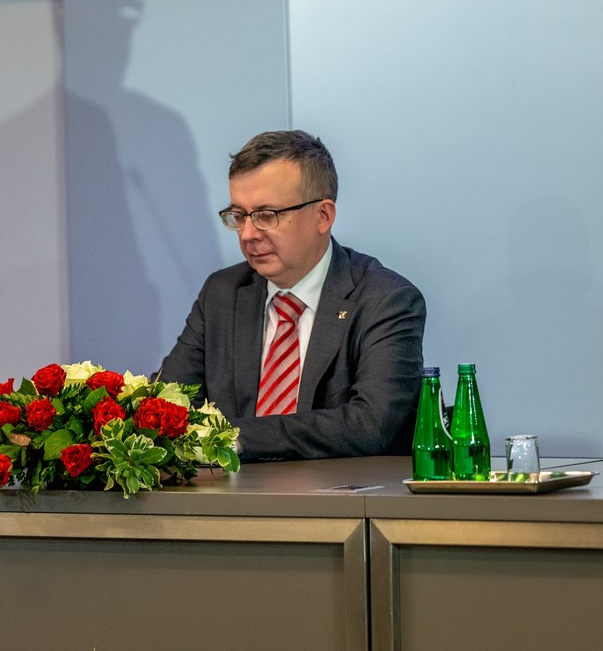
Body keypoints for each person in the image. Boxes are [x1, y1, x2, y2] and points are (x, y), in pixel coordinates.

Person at [159, 130, 426, 461]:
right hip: (230, 490)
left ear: (323, 216)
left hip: (338, 491)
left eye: (266, 215)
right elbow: (168, 401)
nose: (248, 234)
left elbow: (369, 423)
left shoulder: (385, 300)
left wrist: (233, 438)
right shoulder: (223, 294)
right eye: (239, 216)